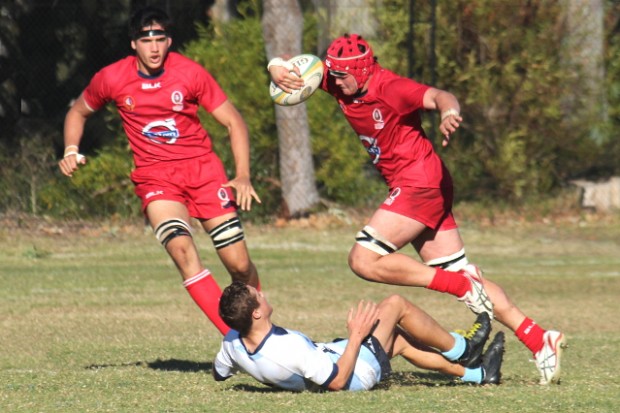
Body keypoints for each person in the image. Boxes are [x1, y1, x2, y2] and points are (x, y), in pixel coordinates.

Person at [267, 33, 566, 385]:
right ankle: (539, 338)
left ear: (363, 69)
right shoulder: (340, 80)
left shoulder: (390, 87)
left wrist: (449, 111)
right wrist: (276, 69)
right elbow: (292, 62)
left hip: (419, 183)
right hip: (422, 184)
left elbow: (439, 95)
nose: (335, 81)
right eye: (333, 73)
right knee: (465, 275)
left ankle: (459, 285)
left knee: (363, 260)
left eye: (343, 75)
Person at [58, 6, 262, 335]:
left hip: (204, 173)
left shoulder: (190, 73)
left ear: (169, 41)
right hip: (157, 178)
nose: (153, 47)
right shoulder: (112, 77)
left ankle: (260, 323)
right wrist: (71, 149)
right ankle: (237, 340)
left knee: (239, 265)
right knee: (181, 249)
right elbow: (77, 113)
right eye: (145, 39)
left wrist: (242, 175)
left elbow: (233, 121)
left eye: (160, 38)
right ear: (133, 43)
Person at [213, 280, 505, 392]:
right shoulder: (287, 349)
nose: (262, 294)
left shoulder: (233, 342)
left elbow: (219, 373)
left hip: (332, 355)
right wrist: (356, 336)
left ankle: (478, 375)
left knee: (399, 340)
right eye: (257, 296)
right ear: (256, 314)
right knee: (394, 305)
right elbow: (338, 382)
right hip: (355, 373)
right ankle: (463, 348)